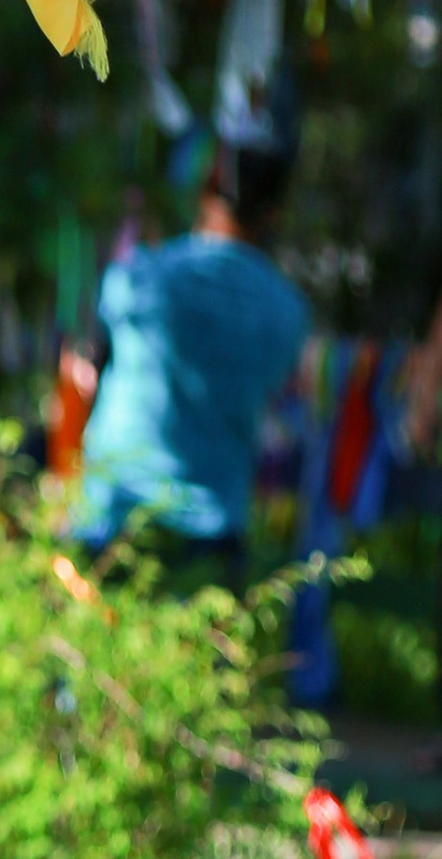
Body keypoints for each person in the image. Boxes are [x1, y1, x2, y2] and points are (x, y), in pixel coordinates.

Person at [70, 142, 311, 580]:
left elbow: (92, 363)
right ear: (275, 213)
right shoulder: (289, 312)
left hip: (114, 515)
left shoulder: (141, 273)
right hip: (213, 532)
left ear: (208, 188)